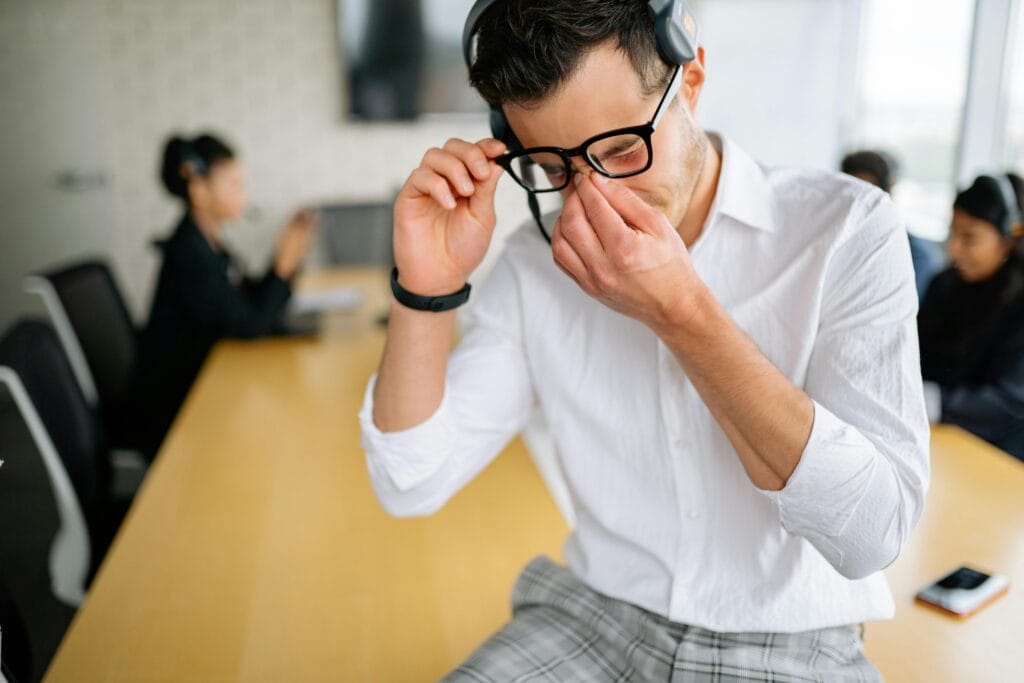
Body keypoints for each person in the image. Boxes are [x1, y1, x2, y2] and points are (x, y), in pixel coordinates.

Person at [359, 1, 929, 680]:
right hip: (594, 614)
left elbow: (871, 532)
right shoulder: (533, 264)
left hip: (788, 637)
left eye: (623, 148)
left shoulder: (845, 230)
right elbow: (409, 482)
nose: (592, 201)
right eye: (555, 170)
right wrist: (425, 287)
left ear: (692, 79)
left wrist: (681, 312)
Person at [132, 132, 317, 455]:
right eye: (233, 184)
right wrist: (283, 266)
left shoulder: (208, 243)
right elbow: (251, 325)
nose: (242, 195)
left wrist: (283, 260)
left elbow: (245, 300)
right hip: (176, 411)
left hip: (202, 388)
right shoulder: (189, 255)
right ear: (199, 190)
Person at [918, 173, 1024, 461]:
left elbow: (1010, 402)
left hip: (1000, 456)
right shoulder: (945, 283)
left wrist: (936, 402)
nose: (954, 249)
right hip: (937, 442)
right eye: (953, 232)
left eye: (970, 237)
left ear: (1010, 237)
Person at [840, 149, 944, 301]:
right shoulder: (832, 245)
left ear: (888, 193)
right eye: (851, 195)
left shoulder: (917, 255)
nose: (857, 205)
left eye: (866, 196)